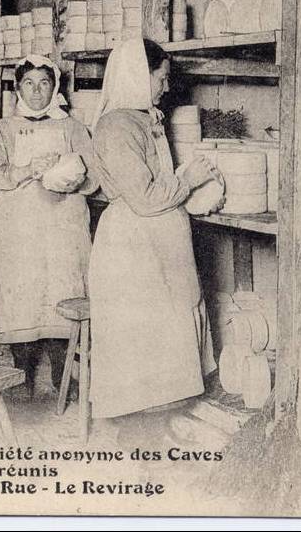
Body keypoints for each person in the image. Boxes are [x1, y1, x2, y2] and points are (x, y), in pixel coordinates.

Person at [87, 39, 218, 429]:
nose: (165, 87)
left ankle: (158, 426)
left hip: (159, 237)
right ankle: (138, 435)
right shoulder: (116, 125)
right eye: (160, 78)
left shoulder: (147, 118)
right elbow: (144, 197)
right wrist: (189, 181)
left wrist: (187, 192)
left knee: (167, 331)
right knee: (142, 338)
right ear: (137, 76)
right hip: (134, 243)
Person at [0, 55, 97, 400]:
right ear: (18, 87)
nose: (37, 91)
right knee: (22, 299)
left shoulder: (72, 127)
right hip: (20, 229)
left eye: (44, 83)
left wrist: (72, 180)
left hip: (63, 227)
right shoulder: (2, 129)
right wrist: (28, 168)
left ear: (55, 86)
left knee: (62, 296)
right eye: (29, 83)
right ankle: (21, 379)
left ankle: (63, 377)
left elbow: (95, 178)